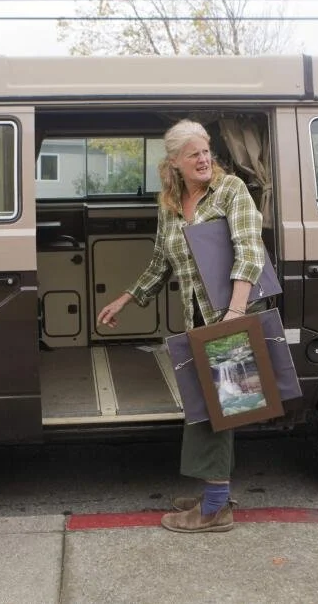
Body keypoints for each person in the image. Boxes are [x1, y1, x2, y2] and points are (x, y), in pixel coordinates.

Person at [97, 118, 264, 533]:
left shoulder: (230, 190)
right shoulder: (171, 205)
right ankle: (215, 494)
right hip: (197, 319)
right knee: (205, 406)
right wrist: (126, 298)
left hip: (231, 314)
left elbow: (250, 251)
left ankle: (215, 507)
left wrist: (235, 314)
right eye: (194, 154)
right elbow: (160, 263)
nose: (204, 159)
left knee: (221, 408)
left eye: (206, 151)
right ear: (174, 162)